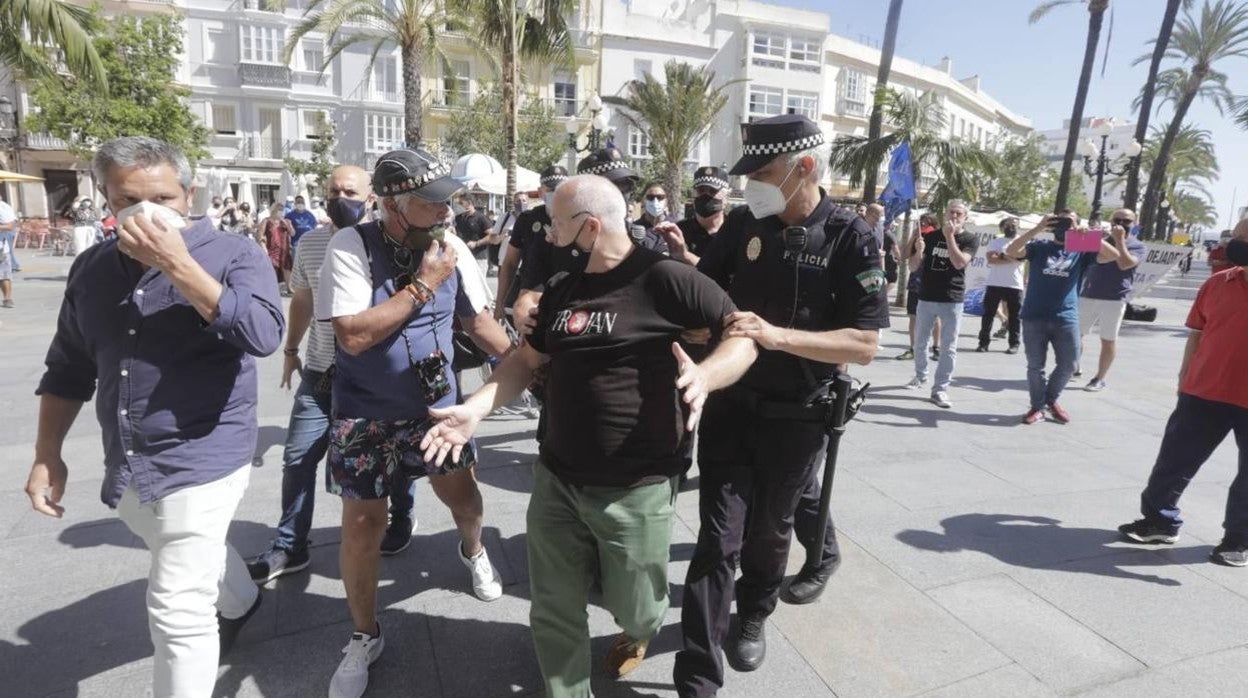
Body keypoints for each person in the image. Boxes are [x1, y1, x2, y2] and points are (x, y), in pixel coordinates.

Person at [420, 174, 758, 697]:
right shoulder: (562, 288)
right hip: (557, 477)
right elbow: (526, 359)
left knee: (639, 608)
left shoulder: (665, 278)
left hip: (636, 485)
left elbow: (743, 335)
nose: (548, 233)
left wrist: (706, 376)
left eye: (557, 223)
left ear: (591, 225)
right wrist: (475, 409)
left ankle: (638, 631)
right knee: (554, 610)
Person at [24, 136, 283, 697]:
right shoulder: (92, 269)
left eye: (163, 196)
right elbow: (68, 365)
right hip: (131, 457)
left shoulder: (237, 254)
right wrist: (48, 453)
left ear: (188, 195)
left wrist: (178, 264)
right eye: (128, 200)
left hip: (206, 453)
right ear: (106, 200)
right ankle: (242, 598)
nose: (147, 212)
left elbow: (263, 335)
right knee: (182, 548)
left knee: (177, 606)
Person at [673, 114, 889, 697]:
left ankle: (754, 613)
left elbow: (864, 345)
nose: (752, 187)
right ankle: (698, 669)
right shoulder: (743, 223)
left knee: (771, 532)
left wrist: (777, 336)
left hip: (800, 415)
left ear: (805, 168)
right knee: (718, 537)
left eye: (764, 173)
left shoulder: (851, 236)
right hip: (731, 404)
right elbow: (704, 295)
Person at [317, 148, 512, 697]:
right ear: (392, 206)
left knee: (465, 501)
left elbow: (476, 321)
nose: (447, 210)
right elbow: (352, 336)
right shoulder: (351, 246)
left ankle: (473, 550)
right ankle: (363, 635)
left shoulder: (450, 248)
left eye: (449, 198)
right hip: (365, 411)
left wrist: (532, 366)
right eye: (432, 202)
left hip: (436, 409)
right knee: (361, 527)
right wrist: (423, 285)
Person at [246, 164, 420, 582]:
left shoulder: (392, 243)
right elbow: (302, 301)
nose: (340, 198)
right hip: (322, 372)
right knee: (298, 458)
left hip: (374, 375)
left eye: (350, 191)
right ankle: (291, 545)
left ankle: (401, 517)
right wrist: (290, 350)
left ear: (371, 197)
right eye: (333, 190)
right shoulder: (310, 243)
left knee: (392, 459)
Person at [1117, 219, 1248, 567]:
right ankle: (1159, 521)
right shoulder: (1217, 283)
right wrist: (1184, 376)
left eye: (1242, 238)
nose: (1234, 244)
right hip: (1203, 391)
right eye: (1234, 237)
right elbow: (1197, 332)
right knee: (1173, 463)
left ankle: (1238, 539)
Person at [1005, 211, 1119, 424]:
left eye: (1071, 221)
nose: (1065, 224)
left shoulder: (1082, 250)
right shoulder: (1039, 247)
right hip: (1034, 315)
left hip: (1066, 317)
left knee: (1070, 363)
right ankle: (1037, 407)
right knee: (1035, 365)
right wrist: (1038, 228)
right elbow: (1011, 251)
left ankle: (1050, 399)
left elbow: (1112, 256)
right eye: (1060, 220)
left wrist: (1087, 235)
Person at [904, 199, 979, 409]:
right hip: (927, 296)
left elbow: (959, 262)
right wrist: (918, 251)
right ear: (945, 214)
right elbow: (913, 266)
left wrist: (949, 238)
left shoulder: (970, 239)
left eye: (958, 214)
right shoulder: (930, 236)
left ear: (965, 218)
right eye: (951, 212)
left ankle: (940, 389)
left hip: (952, 299)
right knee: (920, 341)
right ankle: (920, 376)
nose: (954, 217)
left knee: (948, 347)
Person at [1078, 208, 1145, 391]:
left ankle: (1099, 378)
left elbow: (1124, 263)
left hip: (1115, 297)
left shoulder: (1138, 246)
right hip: (1089, 294)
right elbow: (1074, 249)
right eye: (1118, 219)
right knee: (1075, 334)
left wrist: (1119, 240)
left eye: (1126, 221)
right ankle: (1073, 366)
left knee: (1108, 339)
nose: (1121, 224)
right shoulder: (1100, 239)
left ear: (1134, 224)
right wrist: (1084, 233)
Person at [497, 165, 568, 320]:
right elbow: (510, 262)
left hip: (564, 302)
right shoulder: (528, 219)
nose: (556, 194)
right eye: (551, 190)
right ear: (541, 192)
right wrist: (500, 304)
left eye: (561, 189)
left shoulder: (576, 219)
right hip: (528, 300)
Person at [575, 147, 668, 254]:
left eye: (626, 184)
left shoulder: (648, 242)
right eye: (612, 185)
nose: (620, 193)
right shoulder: (562, 240)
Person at [659, 166, 732, 267]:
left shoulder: (735, 231)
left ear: (726, 197)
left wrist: (686, 256)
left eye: (712, 191)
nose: (705, 196)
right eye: (701, 190)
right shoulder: (680, 231)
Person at [977, 217, 1025, 354]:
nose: (1012, 227)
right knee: (988, 314)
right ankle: (983, 343)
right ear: (1003, 227)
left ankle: (1014, 344)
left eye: (1014, 225)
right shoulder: (996, 242)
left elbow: (1022, 260)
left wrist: (1003, 256)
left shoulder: (1022, 241)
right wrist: (1012, 259)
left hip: (1015, 284)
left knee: (1015, 316)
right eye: (1008, 225)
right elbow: (992, 260)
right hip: (995, 282)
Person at [896, 213, 940, 361]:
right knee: (913, 316)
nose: (923, 226)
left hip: (933, 284)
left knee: (935, 318)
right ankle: (913, 348)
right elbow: (903, 257)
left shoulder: (937, 240)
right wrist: (913, 238)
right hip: (916, 284)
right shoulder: (917, 239)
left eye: (927, 223)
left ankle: (936, 347)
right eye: (921, 223)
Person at [486, 193, 528, 277]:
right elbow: (492, 239)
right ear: (514, 202)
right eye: (518, 201)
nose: (521, 203)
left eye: (524, 201)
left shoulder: (531, 217)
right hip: (505, 261)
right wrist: (502, 235)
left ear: (528, 202)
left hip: (526, 263)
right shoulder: (505, 217)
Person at [261, 203, 295, 295]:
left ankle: (289, 287)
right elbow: (260, 236)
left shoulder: (286, 221)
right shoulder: (266, 221)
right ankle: (272, 289)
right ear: (273, 210)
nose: (280, 211)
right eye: (278, 209)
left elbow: (292, 234)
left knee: (286, 267)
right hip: (271, 248)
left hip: (284, 248)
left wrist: (287, 225)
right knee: (272, 268)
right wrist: (263, 247)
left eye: (282, 209)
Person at [453, 193, 491, 259]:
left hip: (479, 257)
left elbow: (492, 236)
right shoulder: (458, 218)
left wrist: (477, 243)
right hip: (463, 256)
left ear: (469, 203)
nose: (459, 205)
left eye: (461, 203)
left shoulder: (480, 217)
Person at [0, 191, 18, 276]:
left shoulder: (2, 207)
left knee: (6, 253)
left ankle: (14, 265)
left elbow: (10, 225)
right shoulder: (5, 205)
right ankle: (14, 265)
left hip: (5, 234)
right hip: (7, 233)